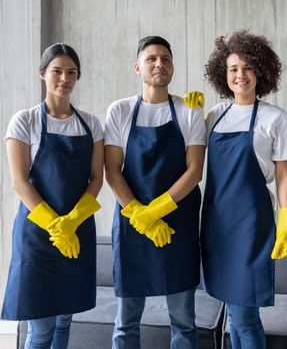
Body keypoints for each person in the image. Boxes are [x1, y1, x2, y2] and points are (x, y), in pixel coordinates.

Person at [194, 30, 287, 349]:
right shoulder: (214, 115)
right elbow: (188, 160)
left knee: (245, 314)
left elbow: (284, 176)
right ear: (223, 75)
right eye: (233, 69)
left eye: (247, 67)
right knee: (232, 310)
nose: (240, 75)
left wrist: (285, 226)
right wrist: (189, 117)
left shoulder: (275, 118)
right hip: (217, 223)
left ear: (261, 71)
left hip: (252, 224)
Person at [104, 36, 206, 349]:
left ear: (172, 67)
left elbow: (194, 171)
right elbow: (112, 170)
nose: (159, 64)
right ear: (138, 67)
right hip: (133, 227)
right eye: (151, 59)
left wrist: (156, 211)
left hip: (178, 225)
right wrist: (140, 214)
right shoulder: (120, 111)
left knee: (184, 324)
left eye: (165, 59)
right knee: (126, 323)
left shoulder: (189, 110)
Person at [1, 43, 104, 349]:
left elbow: (96, 179)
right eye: (57, 71)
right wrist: (56, 226)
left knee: (64, 322)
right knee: (41, 328)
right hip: (38, 235)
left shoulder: (91, 123)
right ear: (42, 74)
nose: (64, 78)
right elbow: (20, 182)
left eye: (71, 72)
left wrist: (72, 222)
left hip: (78, 230)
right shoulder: (24, 121)